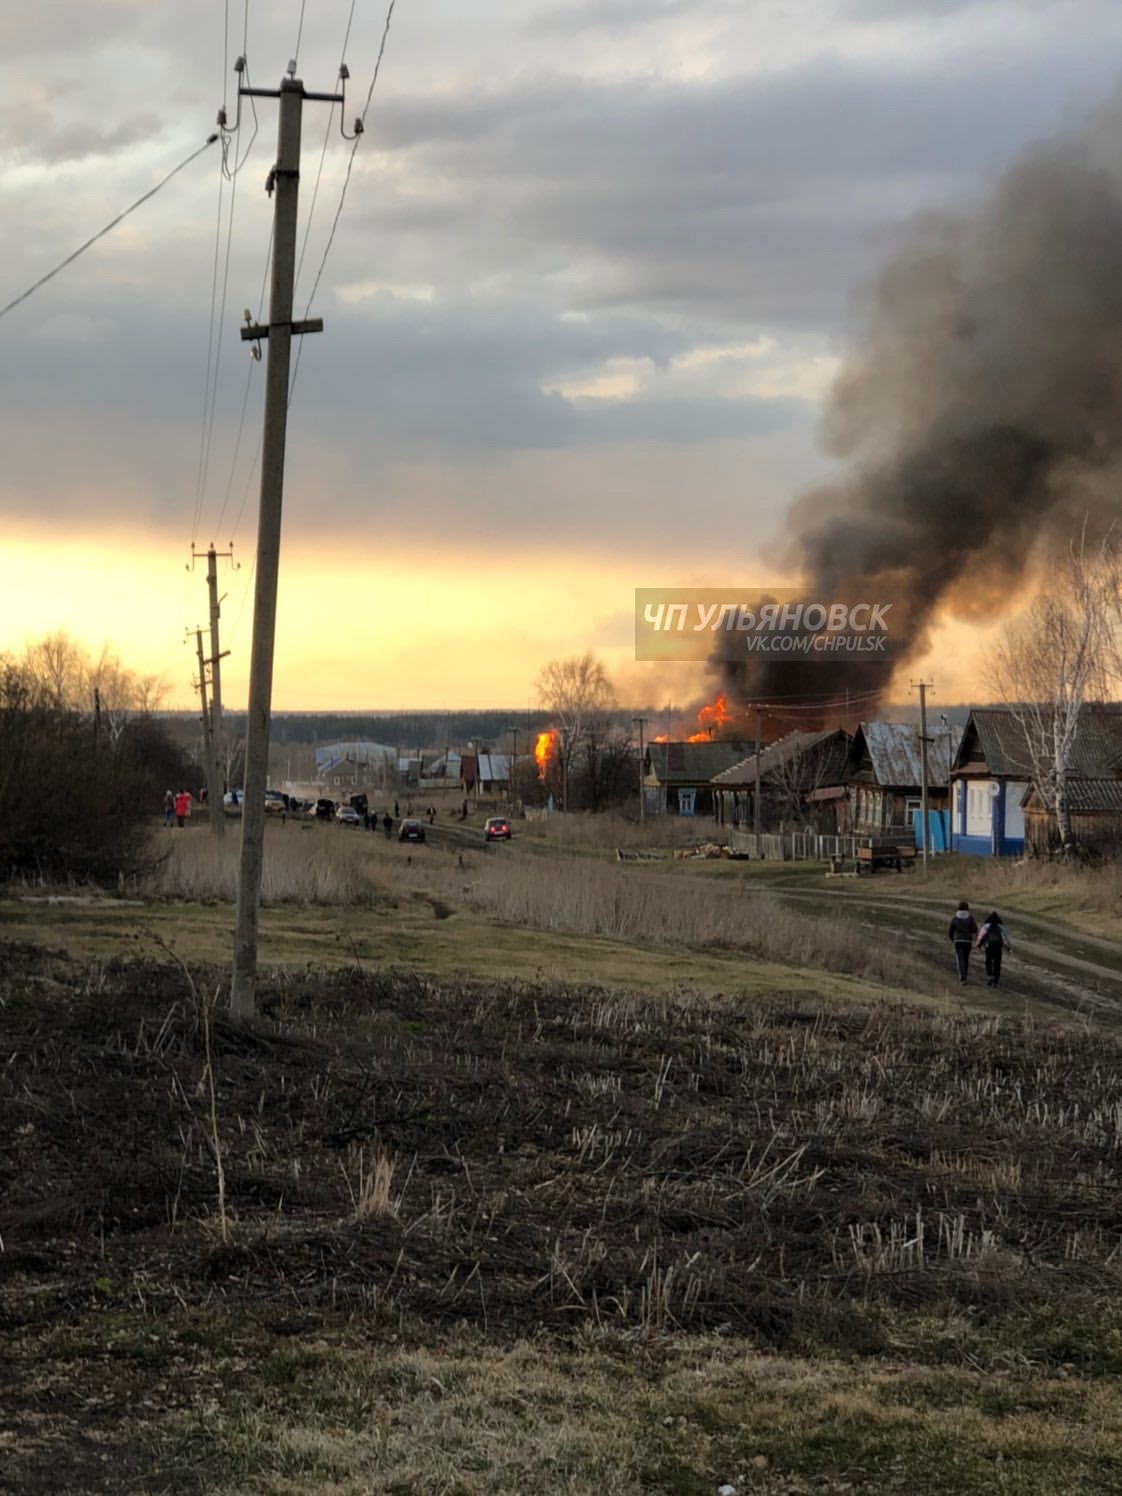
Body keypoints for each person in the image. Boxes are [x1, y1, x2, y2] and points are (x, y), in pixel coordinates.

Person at [976, 910, 1012, 987]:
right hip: (998, 947)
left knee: (988, 961)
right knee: (997, 964)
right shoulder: (1001, 927)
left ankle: (990, 975)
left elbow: (982, 936)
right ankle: (995, 980)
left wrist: (979, 945)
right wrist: (1008, 948)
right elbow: (1005, 938)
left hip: (989, 947)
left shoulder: (986, 926)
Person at [948, 900, 978, 983]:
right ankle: (965, 975)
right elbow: (975, 929)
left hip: (958, 940)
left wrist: (952, 938)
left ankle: (962, 977)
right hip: (968, 941)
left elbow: (951, 929)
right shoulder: (970, 918)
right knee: (966, 959)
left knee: (960, 959)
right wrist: (969, 932)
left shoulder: (955, 917)